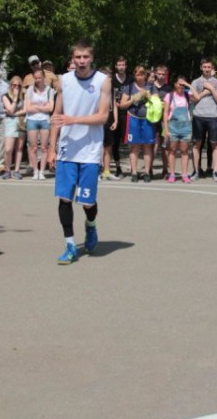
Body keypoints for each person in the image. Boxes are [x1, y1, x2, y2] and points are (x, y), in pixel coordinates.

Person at [50, 41, 111, 264]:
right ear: (72, 59)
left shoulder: (103, 81)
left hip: (90, 150)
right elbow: (57, 116)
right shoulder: (63, 80)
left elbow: (103, 117)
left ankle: (91, 225)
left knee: (87, 203)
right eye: (78, 57)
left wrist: (73, 119)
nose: (82, 61)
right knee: (64, 198)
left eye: (85, 57)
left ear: (91, 58)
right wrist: (52, 148)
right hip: (67, 150)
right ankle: (70, 245)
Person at [120, 65, 156, 182]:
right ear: (134, 75)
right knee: (134, 146)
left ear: (145, 75)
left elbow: (157, 104)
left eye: (142, 74)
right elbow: (122, 105)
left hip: (148, 119)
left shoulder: (151, 87)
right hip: (133, 118)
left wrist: (148, 96)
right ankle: (134, 172)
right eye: (137, 74)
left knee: (147, 146)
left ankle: (147, 172)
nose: (140, 77)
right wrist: (133, 99)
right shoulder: (129, 88)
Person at [190, 59, 217, 180]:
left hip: (213, 116)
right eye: (204, 67)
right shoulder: (195, 82)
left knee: (215, 144)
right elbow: (193, 99)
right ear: (201, 68)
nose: (206, 69)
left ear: (212, 68)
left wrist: (212, 89)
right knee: (196, 144)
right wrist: (204, 92)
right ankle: (196, 171)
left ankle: (215, 171)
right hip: (198, 116)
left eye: (209, 67)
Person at [24, 69, 54, 179]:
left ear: (44, 77)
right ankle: (35, 170)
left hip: (45, 120)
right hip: (32, 119)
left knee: (44, 147)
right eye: (36, 78)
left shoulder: (49, 90)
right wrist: (43, 107)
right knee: (33, 147)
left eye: (39, 77)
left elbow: (50, 108)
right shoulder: (30, 90)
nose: (38, 80)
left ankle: (42, 171)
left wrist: (36, 106)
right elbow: (28, 108)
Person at [163, 76, 193, 182]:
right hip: (173, 127)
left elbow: (197, 96)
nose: (181, 86)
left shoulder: (188, 94)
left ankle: (184, 174)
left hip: (186, 127)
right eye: (179, 84)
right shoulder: (169, 96)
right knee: (172, 150)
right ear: (175, 84)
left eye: (183, 84)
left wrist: (188, 85)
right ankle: (172, 174)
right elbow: (165, 113)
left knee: (184, 151)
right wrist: (166, 129)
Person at [0, 75, 24, 179]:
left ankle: (17, 170)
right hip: (9, 123)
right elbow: (10, 109)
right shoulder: (5, 96)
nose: (16, 87)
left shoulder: (23, 96)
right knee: (8, 149)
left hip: (21, 122)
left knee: (19, 148)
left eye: (18, 86)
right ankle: (7, 170)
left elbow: (26, 109)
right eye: (14, 85)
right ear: (10, 85)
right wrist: (15, 98)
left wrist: (14, 113)